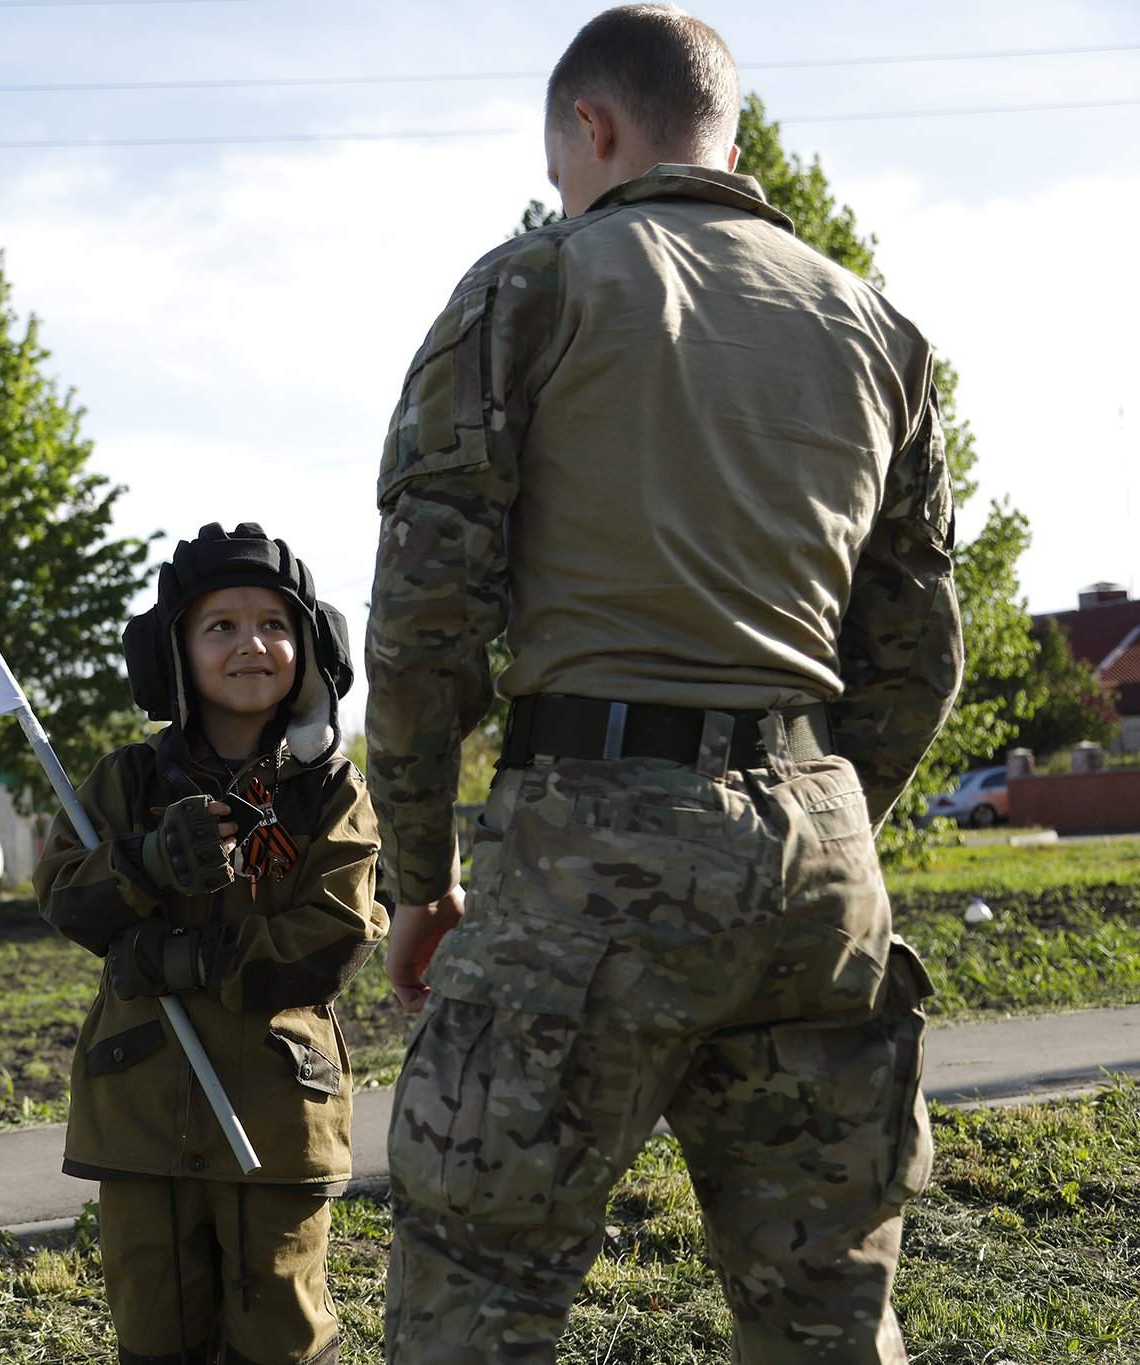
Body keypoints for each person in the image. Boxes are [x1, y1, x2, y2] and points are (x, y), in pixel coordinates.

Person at [365, 7, 963, 1363]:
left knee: (478, 1282)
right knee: (828, 1313)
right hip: (821, 874)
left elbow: (424, 623)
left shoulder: (533, 286)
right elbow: (919, 649)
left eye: (564, 162)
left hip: (589, 853)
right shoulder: (878, 332)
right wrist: (821, 809)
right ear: (730, 137)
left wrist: (417, 876)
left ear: (593, 127)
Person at [34, 522, 387, 1365]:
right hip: (141, 1108)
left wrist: (193, 960)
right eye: (219, 626)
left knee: (281, 1336)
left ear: (310, 644)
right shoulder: (125, 782)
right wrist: (146, 861)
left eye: (273, 623)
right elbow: (63, 896)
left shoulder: (334, 792)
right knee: (158, 1336)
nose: (251, 644)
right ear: (174, 651)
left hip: (277, 1110)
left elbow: (337, 934)